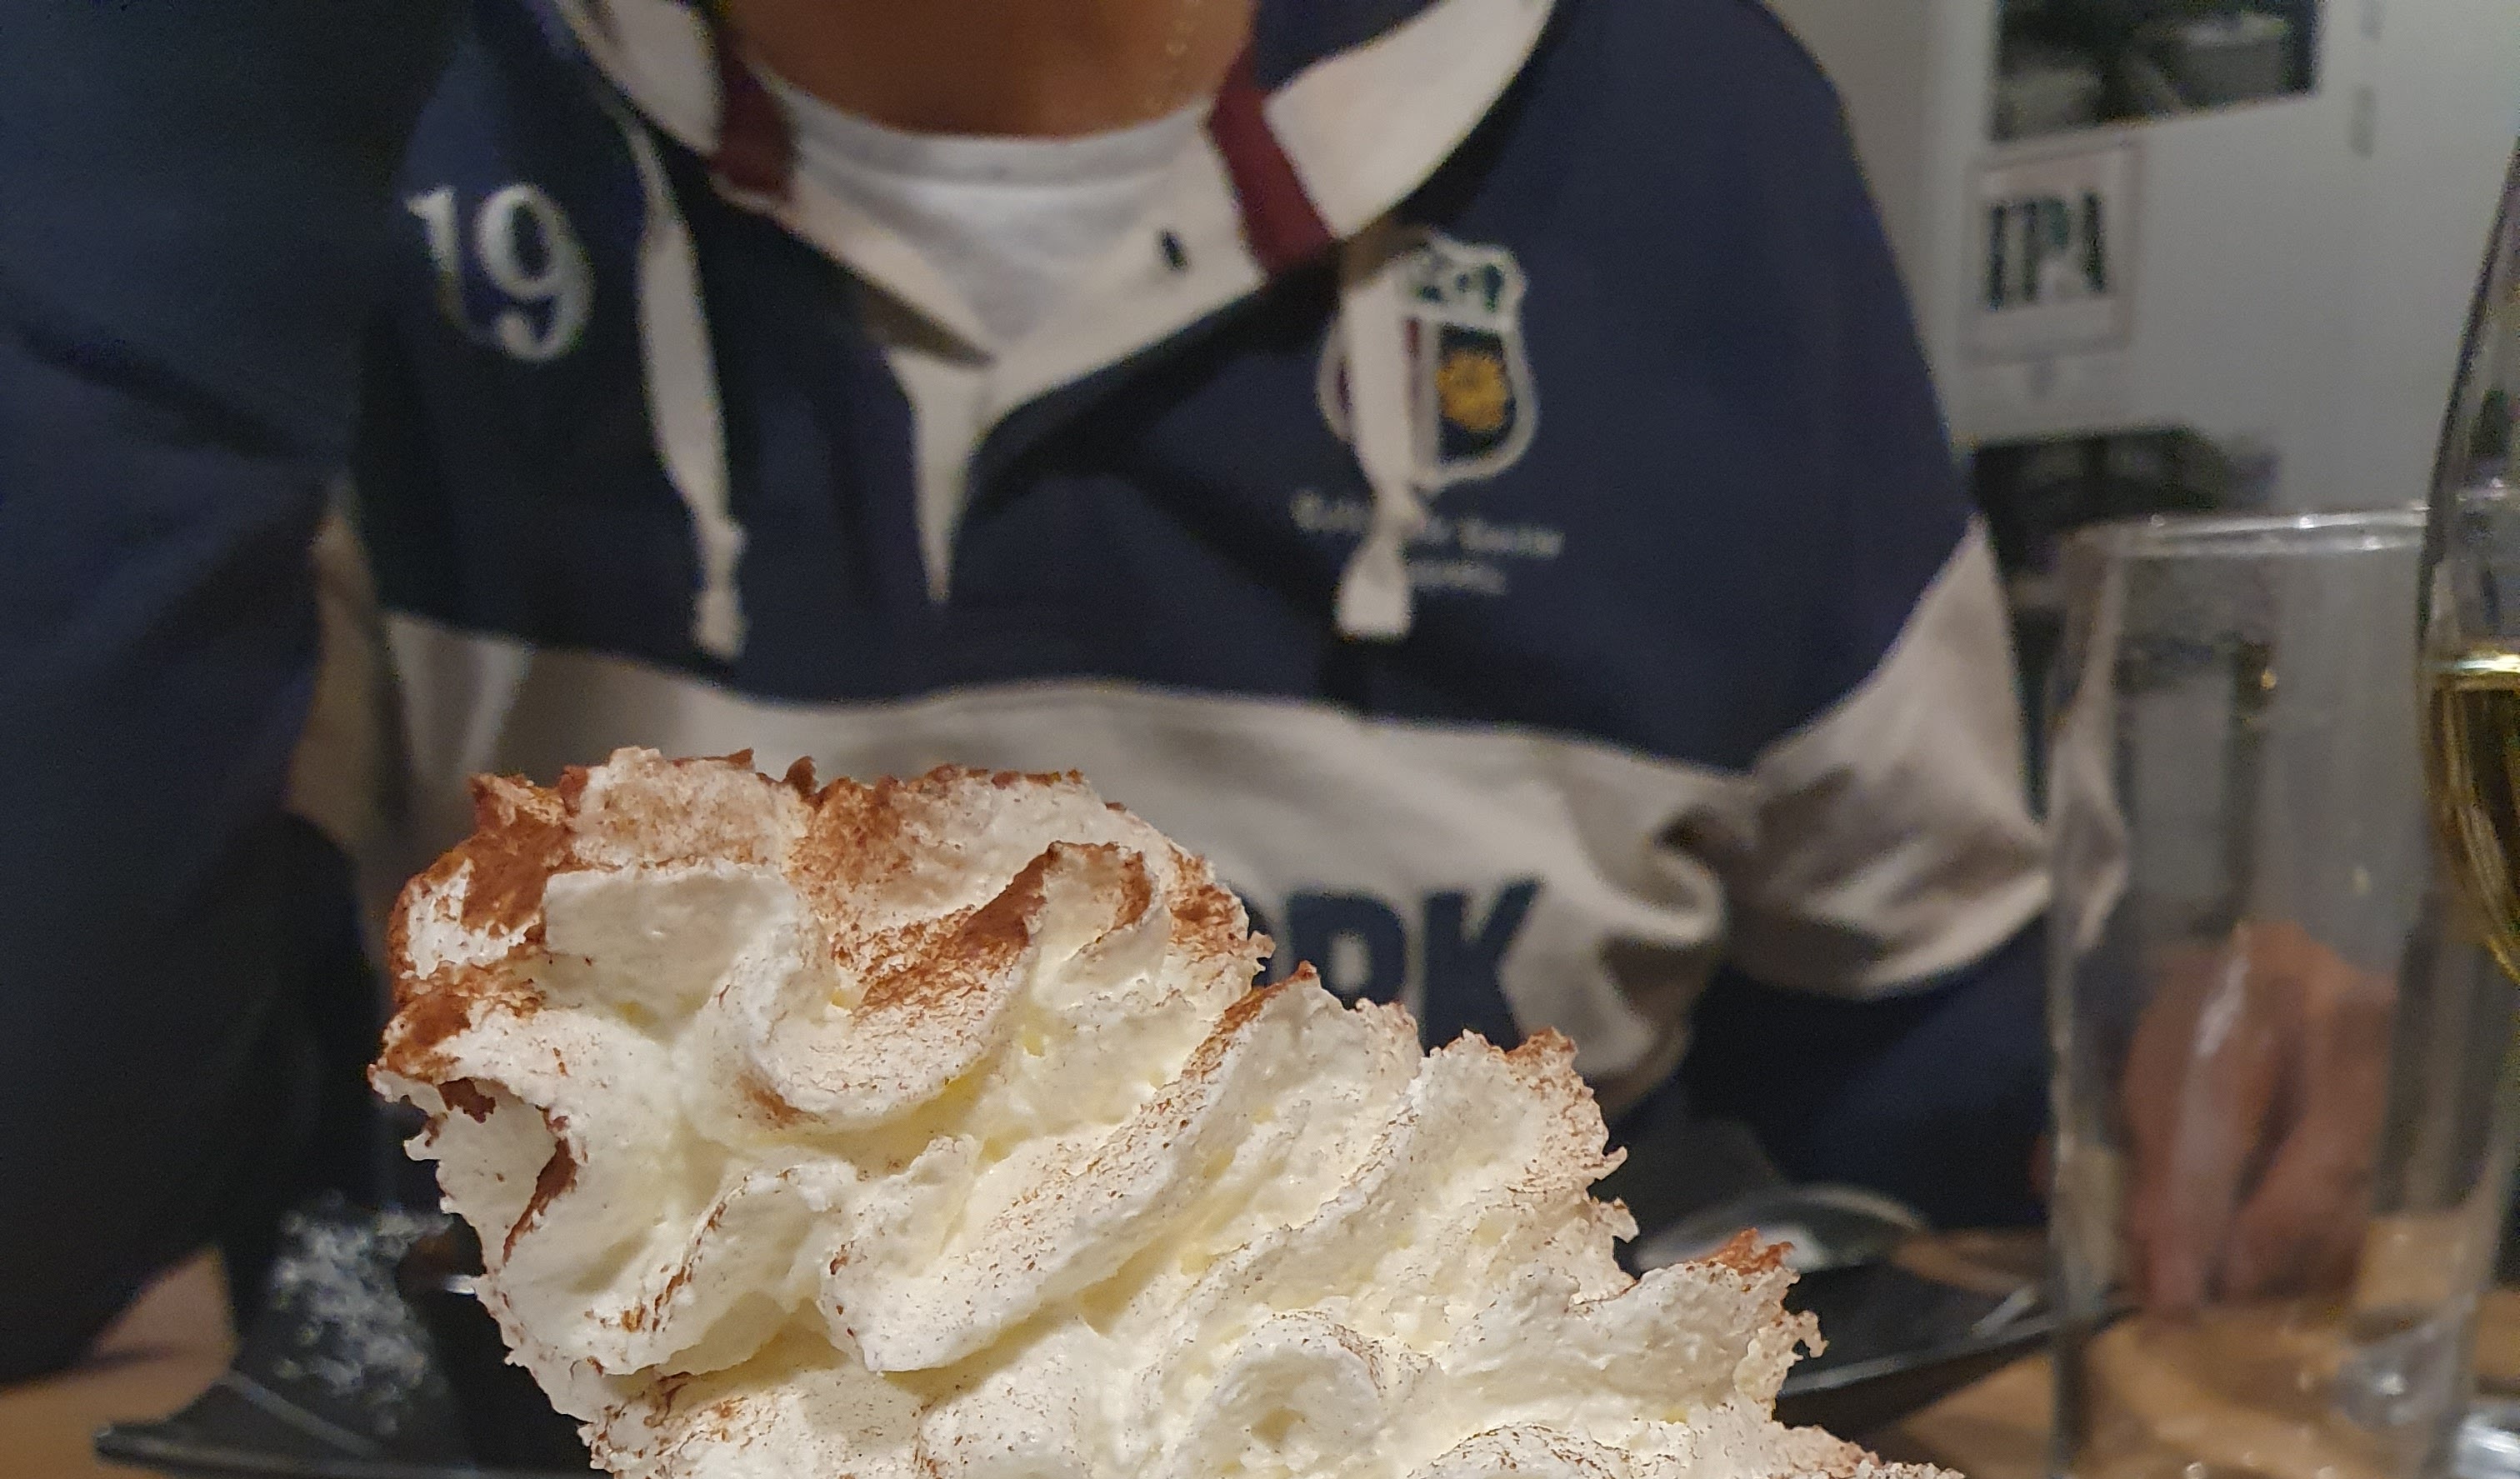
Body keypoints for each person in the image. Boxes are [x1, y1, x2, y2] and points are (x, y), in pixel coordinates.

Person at [0, 0, 2056, 1385]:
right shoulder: (276, 120)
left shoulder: (1693, 133)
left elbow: (1931, 1114)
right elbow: (47, 1219)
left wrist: (2166, 1059)